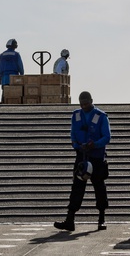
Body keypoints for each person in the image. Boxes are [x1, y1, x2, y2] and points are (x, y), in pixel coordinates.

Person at [54, 91, 111, 232]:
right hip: (81, 156)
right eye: (82, 104)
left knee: (99, 187)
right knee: (77, 188)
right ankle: (70, 220)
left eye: (86, 103)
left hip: (96, 157)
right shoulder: (76, 115)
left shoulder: (101, 116)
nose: (84, 106)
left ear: (91, 101)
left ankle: (101, 219)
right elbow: (73, 133)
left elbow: (107, 137)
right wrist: (75, 144)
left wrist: (95, 144)